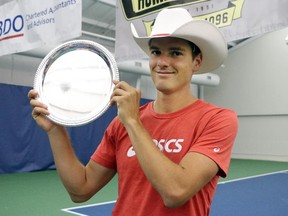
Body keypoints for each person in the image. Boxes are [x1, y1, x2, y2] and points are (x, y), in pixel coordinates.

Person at [28, 7, 238, 216]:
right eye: (156, 52)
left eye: (175, 53)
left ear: (196, 62)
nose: (163, 62)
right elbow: (80, 190)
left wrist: (133, 122)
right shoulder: (122, 123)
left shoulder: (217, 119)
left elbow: (175, 191)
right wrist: (55, 130)